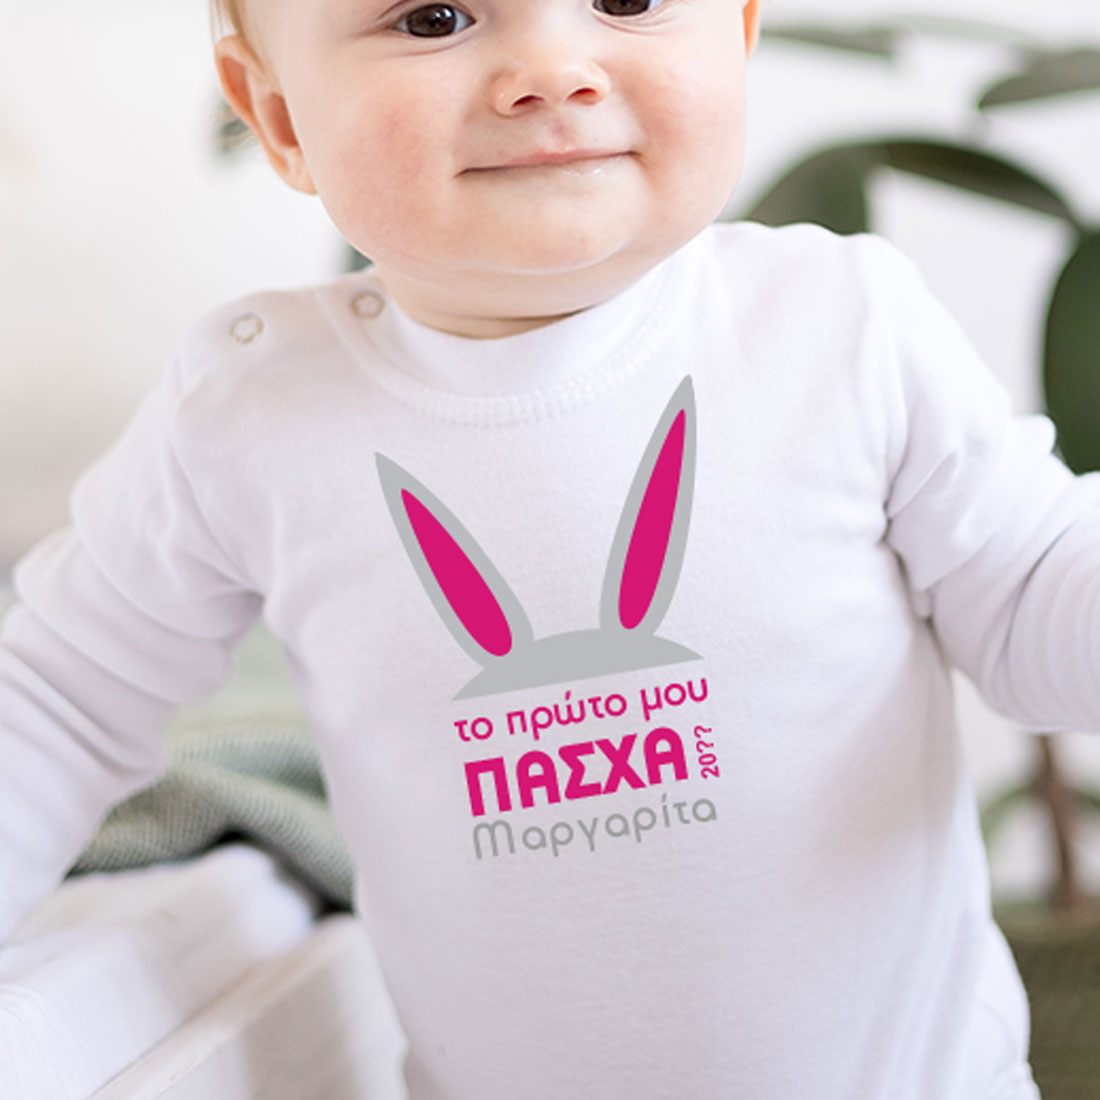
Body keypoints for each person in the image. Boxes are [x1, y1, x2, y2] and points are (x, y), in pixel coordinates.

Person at [0, 0, 1094, 1094]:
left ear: (738, 32)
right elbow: (55, 700)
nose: (552, 68)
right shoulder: (253, 412)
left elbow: (1032, 595)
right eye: (434, 17)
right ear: (278, 116)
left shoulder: (836, 325)